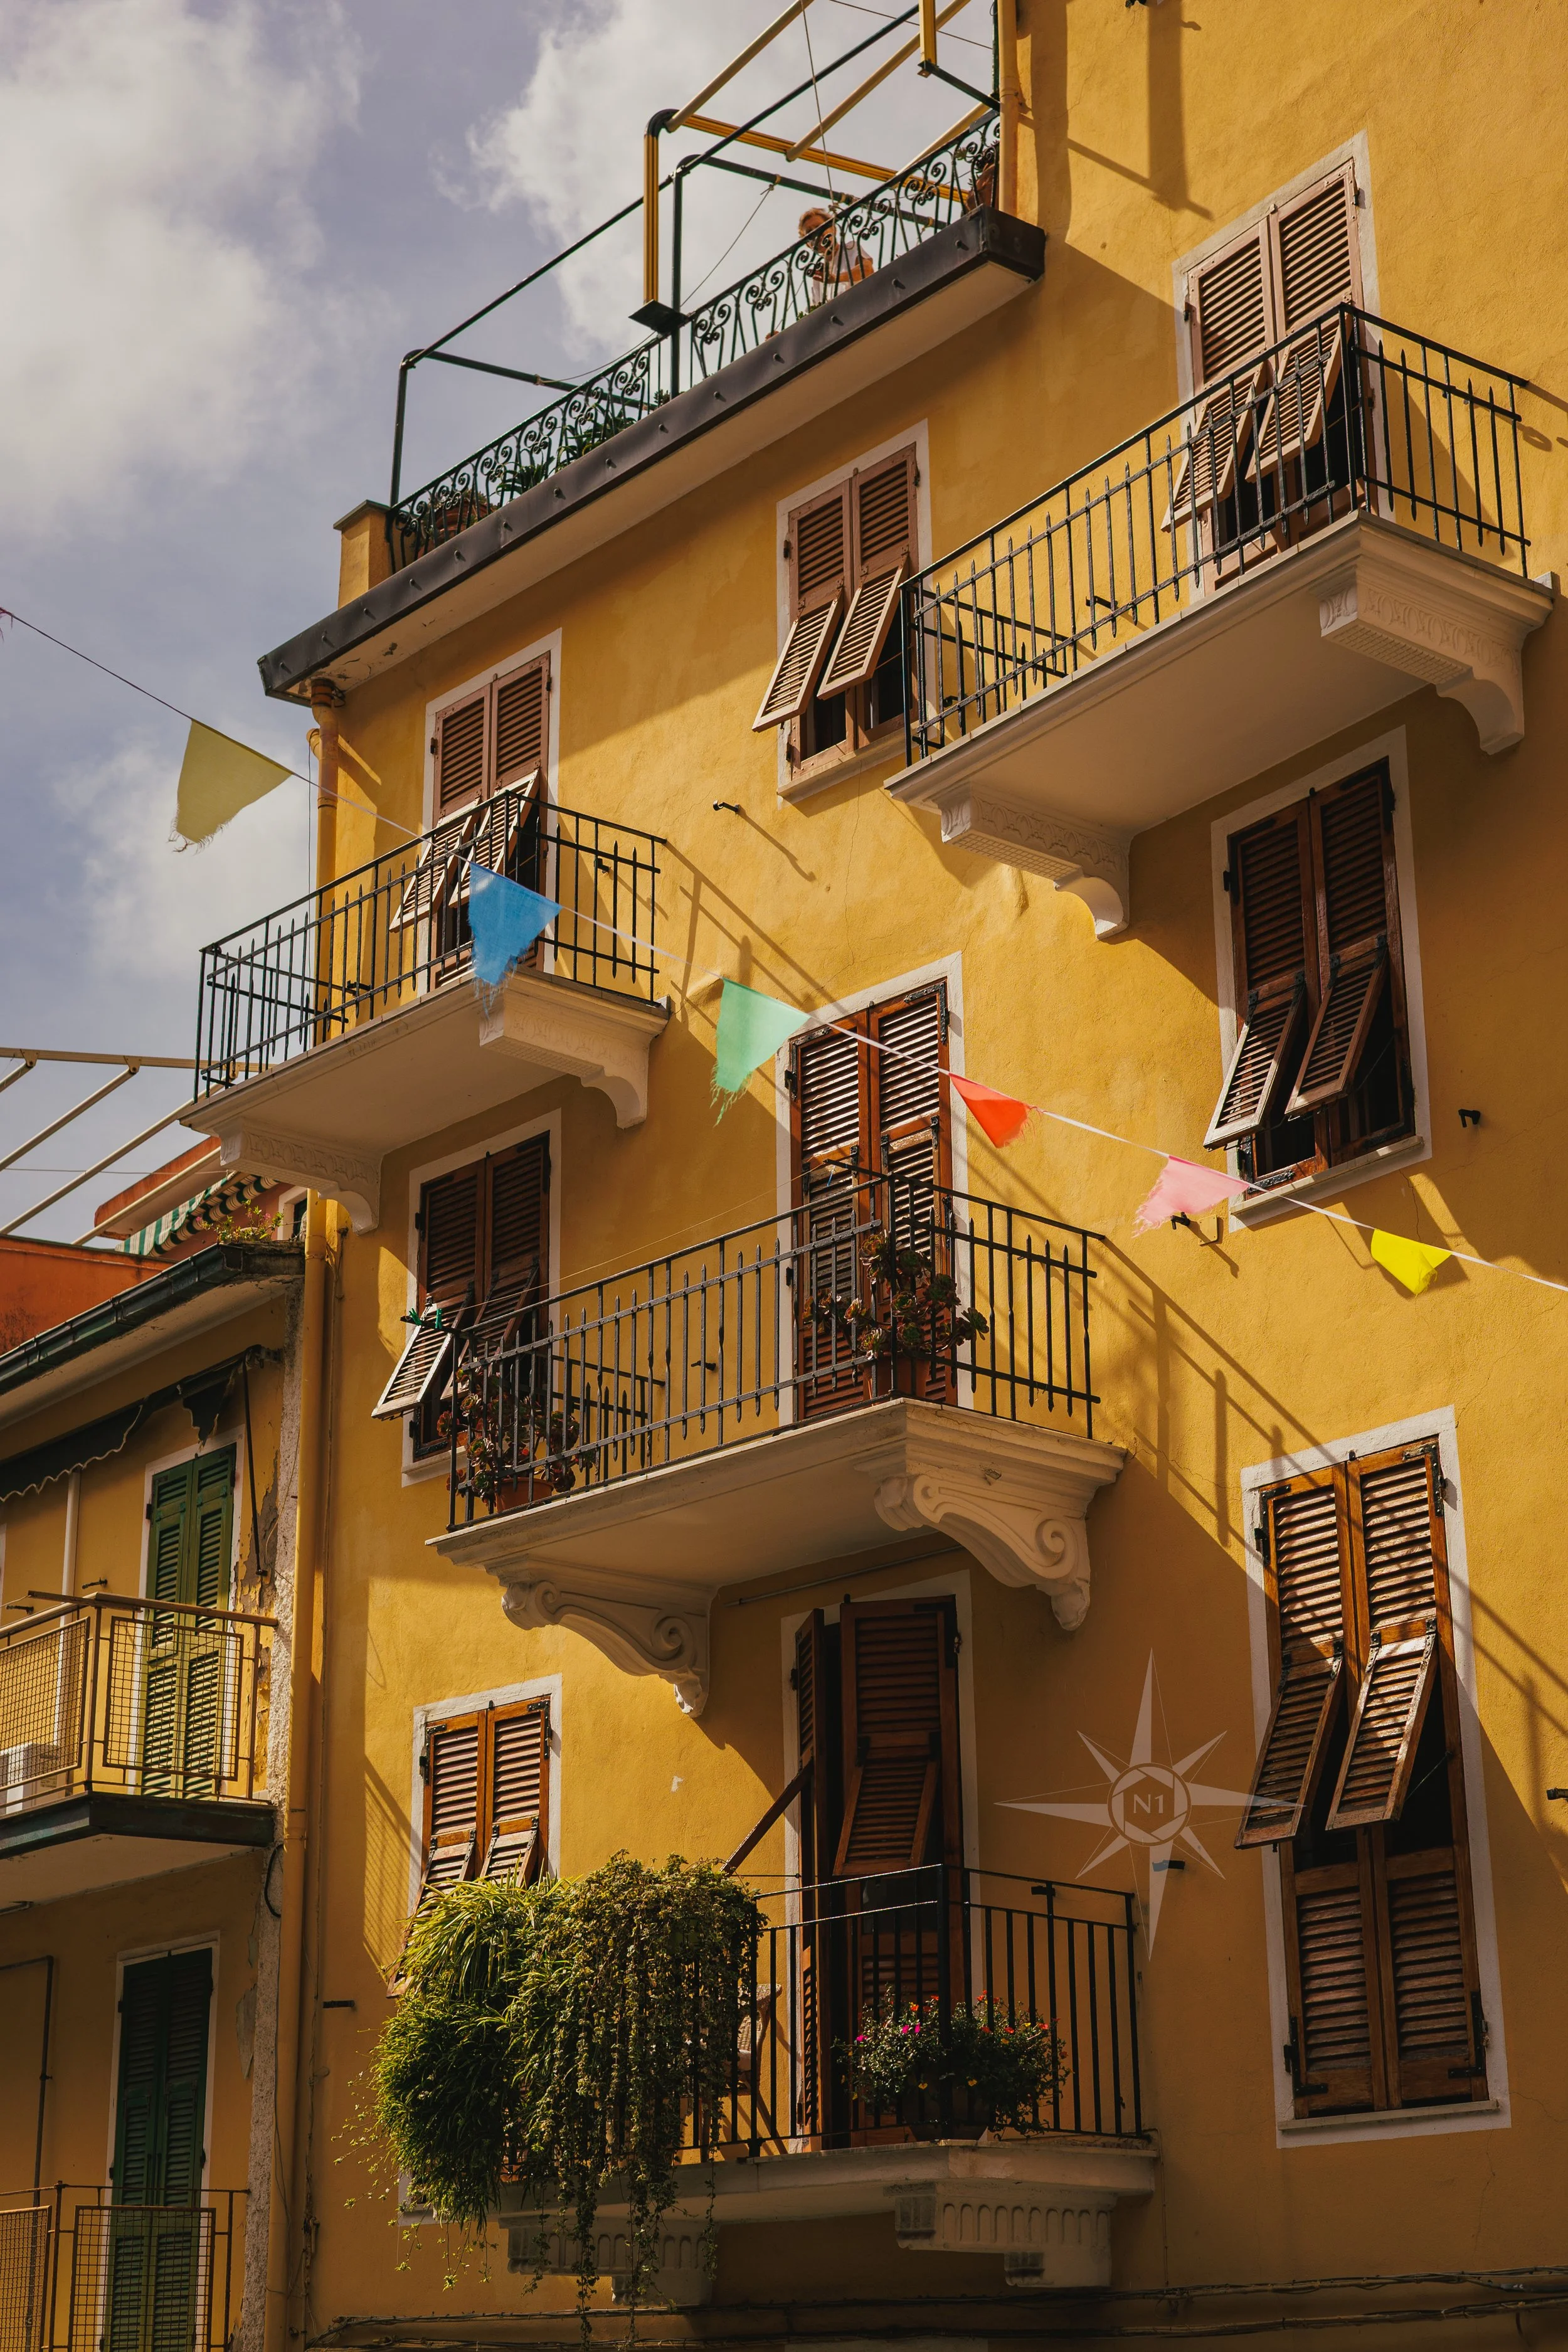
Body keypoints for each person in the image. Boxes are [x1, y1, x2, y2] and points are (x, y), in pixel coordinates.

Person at [798, 206, 874, 302]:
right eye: (810, 232)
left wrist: (837, 278)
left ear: (833, 229)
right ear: (808, 245)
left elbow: (868, 269)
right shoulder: (818, 276)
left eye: (819, 227)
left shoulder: (850, 249)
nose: (817, 234)